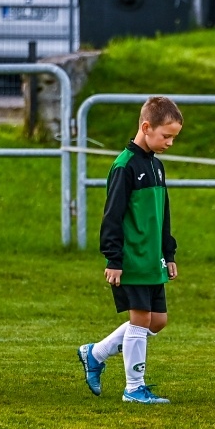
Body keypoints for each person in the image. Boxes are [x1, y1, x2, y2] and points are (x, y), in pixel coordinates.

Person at [77, 95, 182, 405]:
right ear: (146, 127)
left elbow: (163, 214)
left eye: (174, 137)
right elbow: (112, 215)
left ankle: (95, 353)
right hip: (133, 258)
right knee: (140, 320)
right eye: (166, 136)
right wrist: (114, 257)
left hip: (153, 259)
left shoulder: (157, 167)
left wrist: (169, 252)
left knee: (157, 321)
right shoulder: (124, 166)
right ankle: (134, 388)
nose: (170, 143)